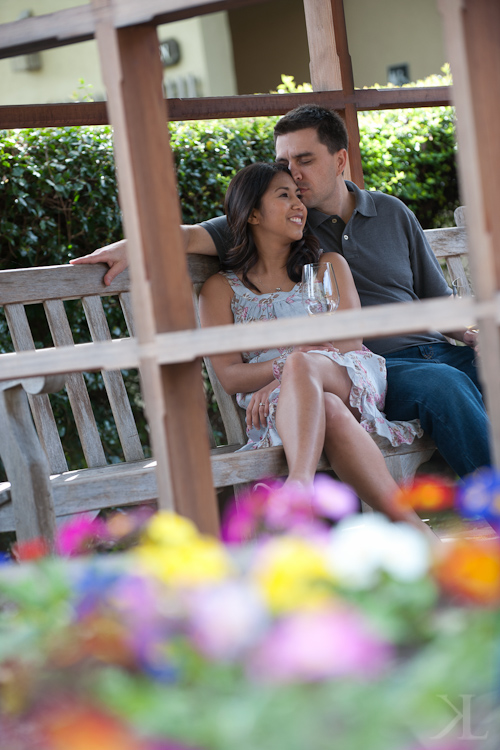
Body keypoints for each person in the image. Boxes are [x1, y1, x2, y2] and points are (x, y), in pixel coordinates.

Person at [71, 104, 489, 477]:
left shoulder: (391, 211)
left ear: (340, 159)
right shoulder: (284, 223)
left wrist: (471, 334)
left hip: (436, 349)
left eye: (304, 159)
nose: (293, 172)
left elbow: (435, 300)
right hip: (377, 367)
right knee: (445, 387)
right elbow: (183, 237)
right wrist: (130, 245)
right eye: (284, 161)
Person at [198, 160, 424, 527]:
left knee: (302, 367)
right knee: (329, 409)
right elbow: (230, 377)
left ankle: (298, 487)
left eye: (298, 196)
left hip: (348, 374)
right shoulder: (220, 290)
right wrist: (289, 374)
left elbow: (348, 340)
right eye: (284, 196)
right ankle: (416, 533)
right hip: (281, 407)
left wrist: (287, 371)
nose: (299, 205)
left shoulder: (327, 267)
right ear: (253, 214)